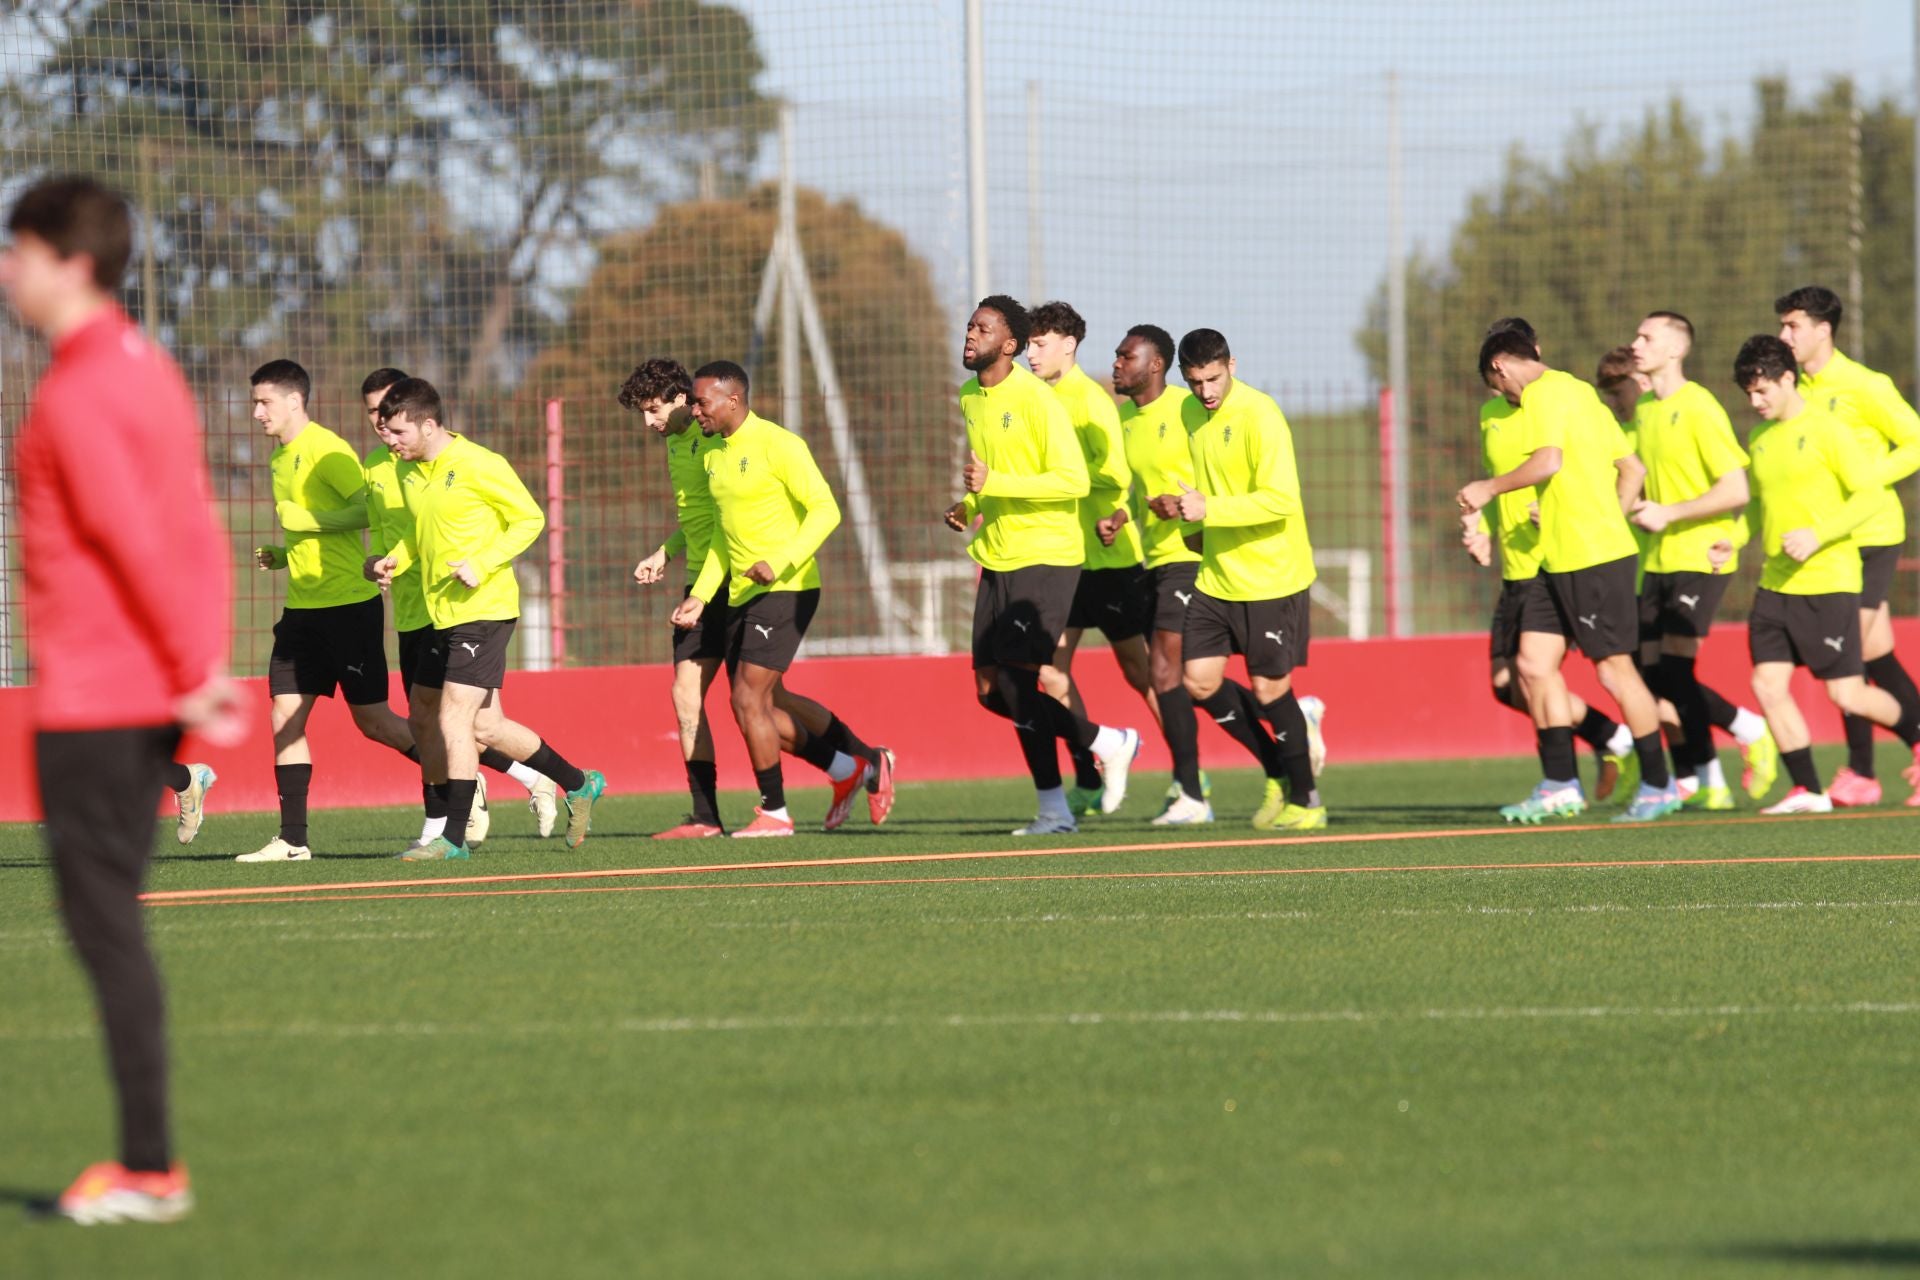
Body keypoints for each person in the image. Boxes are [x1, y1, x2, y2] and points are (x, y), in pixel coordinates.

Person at [5, 174, 246, 1224]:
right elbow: (195, 529)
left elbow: (136, 538)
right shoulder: (148, 368)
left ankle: (150, 1167)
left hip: (99, 699)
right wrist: (201, 665)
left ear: (72, 261)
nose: (6, 271)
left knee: (105, 930)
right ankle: (149, 1163)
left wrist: (194, 671)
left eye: (17, 251)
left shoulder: (78, 390)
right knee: (113, 925)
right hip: (140, 692)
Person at [625, 358, 892, 837]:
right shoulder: (710, 452)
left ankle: (783, 807)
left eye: (653, 410)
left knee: (752, 698)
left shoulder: (770, 443)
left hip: (783, 585)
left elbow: (825, 510)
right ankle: (851, 768)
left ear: (715, 400)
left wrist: (781, 560)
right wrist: (695, 586)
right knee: (748, 701)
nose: (648, 423)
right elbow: (719, 534)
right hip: (731, 583)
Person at [370, 378, 606, 859]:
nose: (388, 440)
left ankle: (452, 838)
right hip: (439, 613)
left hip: (486, 610)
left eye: (397, 431)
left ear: (428, 424)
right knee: (479, 728)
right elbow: (421, 537)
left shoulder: (480, 464)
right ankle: (579, 783)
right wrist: (395, 560)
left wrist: (482, 563)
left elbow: (529, 519)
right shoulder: (413, 472)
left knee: (454, 715)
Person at [1461, 329, 1678, 823]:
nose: (1504, 398)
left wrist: (1488, 488)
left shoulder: (1540, 394)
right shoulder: (1578, 389)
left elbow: (1548, 461)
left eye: (1500, 387)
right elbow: (1634, 469)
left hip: (1592, 556)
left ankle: (1658, 782)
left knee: (1614, 671)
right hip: (1559, 557)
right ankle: (1560, 785)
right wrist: (1609, 513)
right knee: (1533, 666)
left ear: (1499, 367)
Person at [946, 295, 1141, 834]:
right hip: (998, 554)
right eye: (969, 325)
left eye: (982, 329)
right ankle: (1106, 742)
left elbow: (1074, 481)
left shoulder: (1038, 400)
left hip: (1048, 556)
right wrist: (969, 506)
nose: (969, 334)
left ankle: (1058, 806)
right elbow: (993, 475)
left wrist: (993, 486)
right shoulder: (969, 396)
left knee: (1016, 681)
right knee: (991, 691)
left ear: (1007, 345)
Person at [239, 359, 421, 861]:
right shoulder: (281, 457)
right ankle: (293, 840)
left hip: (348, 605)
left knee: (375, 723)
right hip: (302, 608)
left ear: (294, 401)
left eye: (264, 402)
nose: (256, 412)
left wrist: (308, 521)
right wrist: (283, 554)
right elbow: (305, 530)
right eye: (254, 402)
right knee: (284, 716)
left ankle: (456, 782)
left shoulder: (326, 449)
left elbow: (369, 508)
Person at [1732, 335, 1920, 812]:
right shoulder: (1759, 439)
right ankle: (1809, 790)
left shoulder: (1829, 430)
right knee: (1766, 686)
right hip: (1775, 586)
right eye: (1748, 394)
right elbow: (1758, 505)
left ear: (1787, 379)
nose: (1754, 403)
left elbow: (1872, 498)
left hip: (1829, 582)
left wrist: (1818, 535)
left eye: (1762, 392)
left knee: (1848, 695)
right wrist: (1731, 542)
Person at [1158, 328, 1325, 830]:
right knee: (1199, 682)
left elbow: (1281, 501)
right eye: (1194, 382)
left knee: (1270, 690)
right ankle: (1277, 764)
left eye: (1214, 378)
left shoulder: (1261, 415)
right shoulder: (1189, 412)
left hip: (1273, 576)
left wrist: (1210, 508)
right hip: (1217, 575)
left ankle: (1307, 800)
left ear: (1232, 364)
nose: (1206, 391)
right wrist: (1196, 527)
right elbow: (1209, 486)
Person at [1594, 346, 1777, 802]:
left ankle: (1747, 729)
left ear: (1638, 383)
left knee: (1672, 673)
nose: (1616, 405)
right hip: (1646, 565)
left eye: (1618, 394)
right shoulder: (1631, 429)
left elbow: (1733, 487)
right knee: (1653, 677)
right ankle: (1702, 777)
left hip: (1695, 556)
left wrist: (1663, 511)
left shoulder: (1684, 410)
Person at [1776, 285, 1920, 806]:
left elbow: (1915, 440)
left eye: (1792, 326)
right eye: (1782, 326)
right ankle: (1866, 771)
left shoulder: (1865, 384)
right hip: (1825, 540)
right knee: (1873, 654)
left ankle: (1862, 770)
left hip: (1871, 534)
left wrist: (1866, 479)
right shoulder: (1793, 389)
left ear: (1822, 330)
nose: (1784, 336)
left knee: (1848, 655)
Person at [1026, 301, 1157, 816]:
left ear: (1068, 346)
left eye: (1039, 345)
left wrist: (1062, 474)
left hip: (1112, 560)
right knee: (1050, 670)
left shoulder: (1091, 401)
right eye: (1028, 345)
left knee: (1143, 674)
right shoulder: (1032, 398)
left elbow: (1117, 475)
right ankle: (1089, 770)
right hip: (1062, 560)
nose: (1030, 355)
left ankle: (1192, 780)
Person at [1114, 324, 1215, 824]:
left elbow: (1213, 472)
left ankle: (1193, 795)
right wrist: (1121, 516)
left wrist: (1191, 506)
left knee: (1163, 671)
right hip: (1155, 560)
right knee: (1199, 683)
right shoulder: (1127, 422)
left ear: (1155, 364)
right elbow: (1139, 492)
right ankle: (1289, 718)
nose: (1115, 363)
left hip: (1192, 556)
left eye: (1125, 355)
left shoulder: (1186, 409)